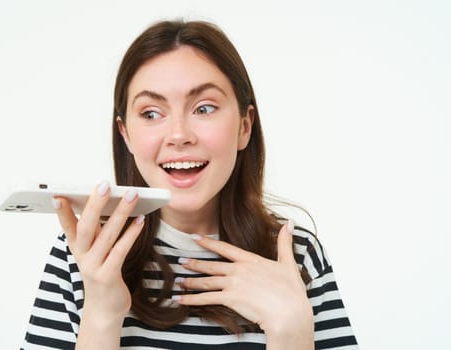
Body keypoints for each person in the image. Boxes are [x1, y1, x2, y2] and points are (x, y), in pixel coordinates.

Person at [21, 19, 358, 349]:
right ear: (126, 135)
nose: (179, 135)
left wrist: (293, 334)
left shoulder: (295, 257)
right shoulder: (86, 254)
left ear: (244, 126)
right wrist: (101, 316)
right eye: (151, 113)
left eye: (204, 108)